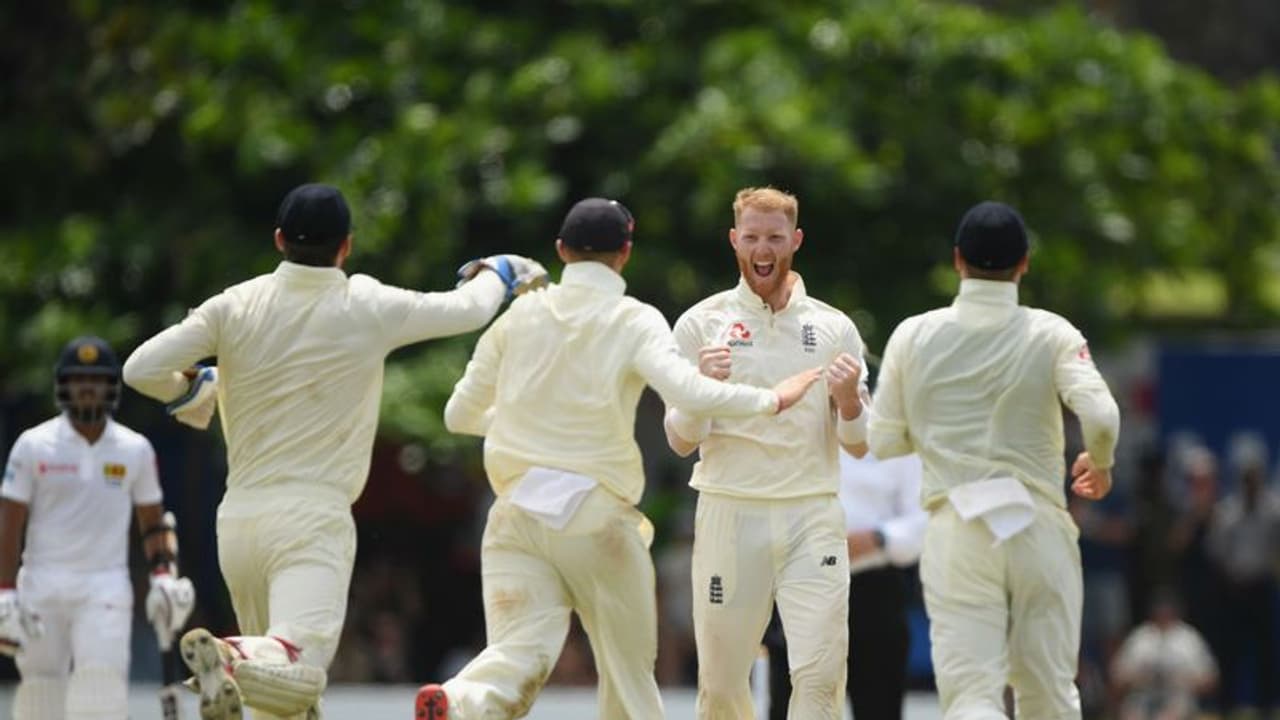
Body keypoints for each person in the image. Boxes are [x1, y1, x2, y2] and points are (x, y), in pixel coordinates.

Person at [122, 183, 547, 720]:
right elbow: (467, 310)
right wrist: (499, 271)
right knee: (296, 664)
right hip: (311, 519)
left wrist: (191, 389)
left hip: (239, 521)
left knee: (280, 701)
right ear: (346, 246)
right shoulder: (365, 304)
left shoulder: (235, 304)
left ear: (279, 239)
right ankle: (232, 656)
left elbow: (139, 369)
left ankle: (242, 662)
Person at [413, 197, 822, 720]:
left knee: (516, 655)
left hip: (515, 515)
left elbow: (457, 415)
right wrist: (771, 399)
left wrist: (527, 427)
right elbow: (688, 391)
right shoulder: (633, 319)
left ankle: (458, 703)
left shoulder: (519, 316)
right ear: (625, 253)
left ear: (562, 250)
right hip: (593, 517)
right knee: (628, 676)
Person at [868, 201, 1121, 718]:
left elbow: (885, 442)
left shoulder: (914, 334)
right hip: (1037, 524)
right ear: (1024, 263)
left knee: (971, 696)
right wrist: (1101, 464)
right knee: (1050, 696)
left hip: (957, 526)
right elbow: (1101, 417)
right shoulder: (1052, 332)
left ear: (957, 260)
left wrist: (933, 433)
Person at [664, 186, 870, 720]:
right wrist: (701, 390)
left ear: (795, 241)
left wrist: (849, 401)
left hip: (811, 513)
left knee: (821, 674)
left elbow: (858, 442)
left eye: (775, 238)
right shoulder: (701, 324)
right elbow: (679, 439)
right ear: (734, 240)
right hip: (730, 511)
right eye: (752, 237)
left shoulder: (833, 327)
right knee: (722, 681)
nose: (763, 249)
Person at [0, 336, 195, 719]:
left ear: (111, 387)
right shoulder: (33, 445)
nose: (87, 388)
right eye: (78, 379)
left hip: (104, 587)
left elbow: (152, 521)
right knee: (41, 694)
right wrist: (5, 593)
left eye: (97, 380)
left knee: (100, 694)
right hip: (41, 584)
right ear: (64, 385)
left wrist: (162, 577)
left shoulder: (134, 449)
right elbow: (9, 523)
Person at [764, 449, 927, 720]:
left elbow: (923, 518)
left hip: (874, 590)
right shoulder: (792, 429)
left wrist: (877, 538)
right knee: (791, 706)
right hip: (803, 588)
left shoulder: (894, 437)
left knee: (879, 708)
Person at [1110, 589, 1217, 720]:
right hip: (1142, 696)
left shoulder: (1188, 637)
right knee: (1132, 715)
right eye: (1160, 609)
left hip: (1177, 697)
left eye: (1167, 609)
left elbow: (1210, 680)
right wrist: (1140, 678)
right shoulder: (1140, 637)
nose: (1163, 613)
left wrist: (1182, 680)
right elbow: (1117, 678)